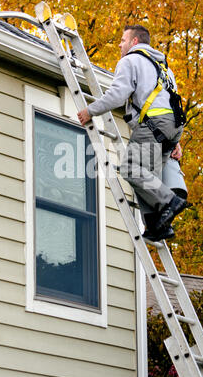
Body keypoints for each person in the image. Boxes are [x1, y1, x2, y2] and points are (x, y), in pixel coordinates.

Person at [78, 24, 187, 241]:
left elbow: (118, 95)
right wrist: (176, 140)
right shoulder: (165, 68)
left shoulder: (130, 61)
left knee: (130, 169)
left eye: (123, 39)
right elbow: (172, 101)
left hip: (153, 125)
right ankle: (158, 226)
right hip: (172, 127)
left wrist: (90, 111)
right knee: (147, 178)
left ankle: (169, 201)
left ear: (134, 42)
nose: (120, 44)